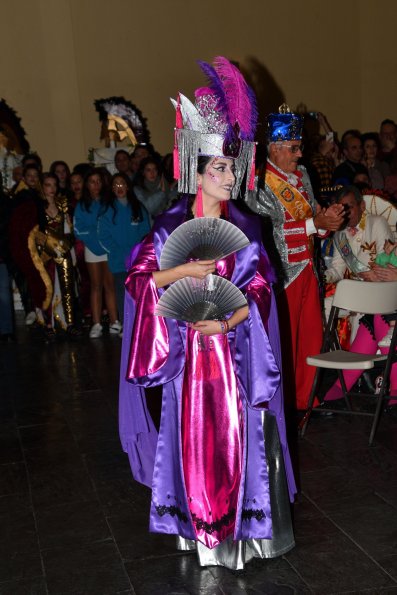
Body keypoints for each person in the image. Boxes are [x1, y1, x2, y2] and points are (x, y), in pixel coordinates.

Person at [119, 56, 296, 570]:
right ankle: (199, 535)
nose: (230, 175)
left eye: (233, 166)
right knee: (194, 442)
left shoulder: (249, 223)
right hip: (187, 360)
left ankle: (245, 537)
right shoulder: (169, 223)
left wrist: (229, 321)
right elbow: (140, 281)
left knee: (243, 443)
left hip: (234, 350)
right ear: (196, 171)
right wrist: (182, 274)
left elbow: (262, 288)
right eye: (219, 167)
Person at [246, 105, 345, 410]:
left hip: (308, 268)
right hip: (281, 273)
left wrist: (325, 220)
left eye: (299, 148)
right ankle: (283, 403)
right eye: (294, 148)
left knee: (311, 338)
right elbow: (268, 233)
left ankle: (306, 399)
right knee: (284, 341)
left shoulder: (301, 175)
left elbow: (313, 214)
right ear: (274, 149)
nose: (300, 155)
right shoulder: (259, 182)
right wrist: (316, 223)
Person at [97, 172, 150, 333]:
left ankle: (141, 327)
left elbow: (145, 232)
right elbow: (103, 236)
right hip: (118, 261)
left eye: (122, 184)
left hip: (137, 261)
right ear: (112, 189)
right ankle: (127, 328)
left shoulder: (137, 207)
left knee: (140, 294)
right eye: (115, 185)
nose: (119, 188)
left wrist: (138, 252)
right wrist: (117, 250)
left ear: (128, 187)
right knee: (122, 293)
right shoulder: (107, 210)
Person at [74, 169, 121, 338]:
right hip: (92, 249)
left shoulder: (110, 202)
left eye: (98, 181)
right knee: (95, 286)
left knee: (110, 286)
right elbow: (79, 229)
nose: (95, 185)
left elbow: (114, 225)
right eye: (92, 181)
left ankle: (115, 321)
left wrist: (107, 241)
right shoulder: (82, 205)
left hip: (109, 250)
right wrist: (95, 240)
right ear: (87, 184)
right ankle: (96, 323)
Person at [133, 157, 175, 224]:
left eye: (154, 169)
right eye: (148, 170)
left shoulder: (163, 183)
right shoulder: (137, 189)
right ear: (143, 172)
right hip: (149, 226)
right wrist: (161, 193)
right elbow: (147, 209)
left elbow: (172, 202)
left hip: (166, 223)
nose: (152, 173)